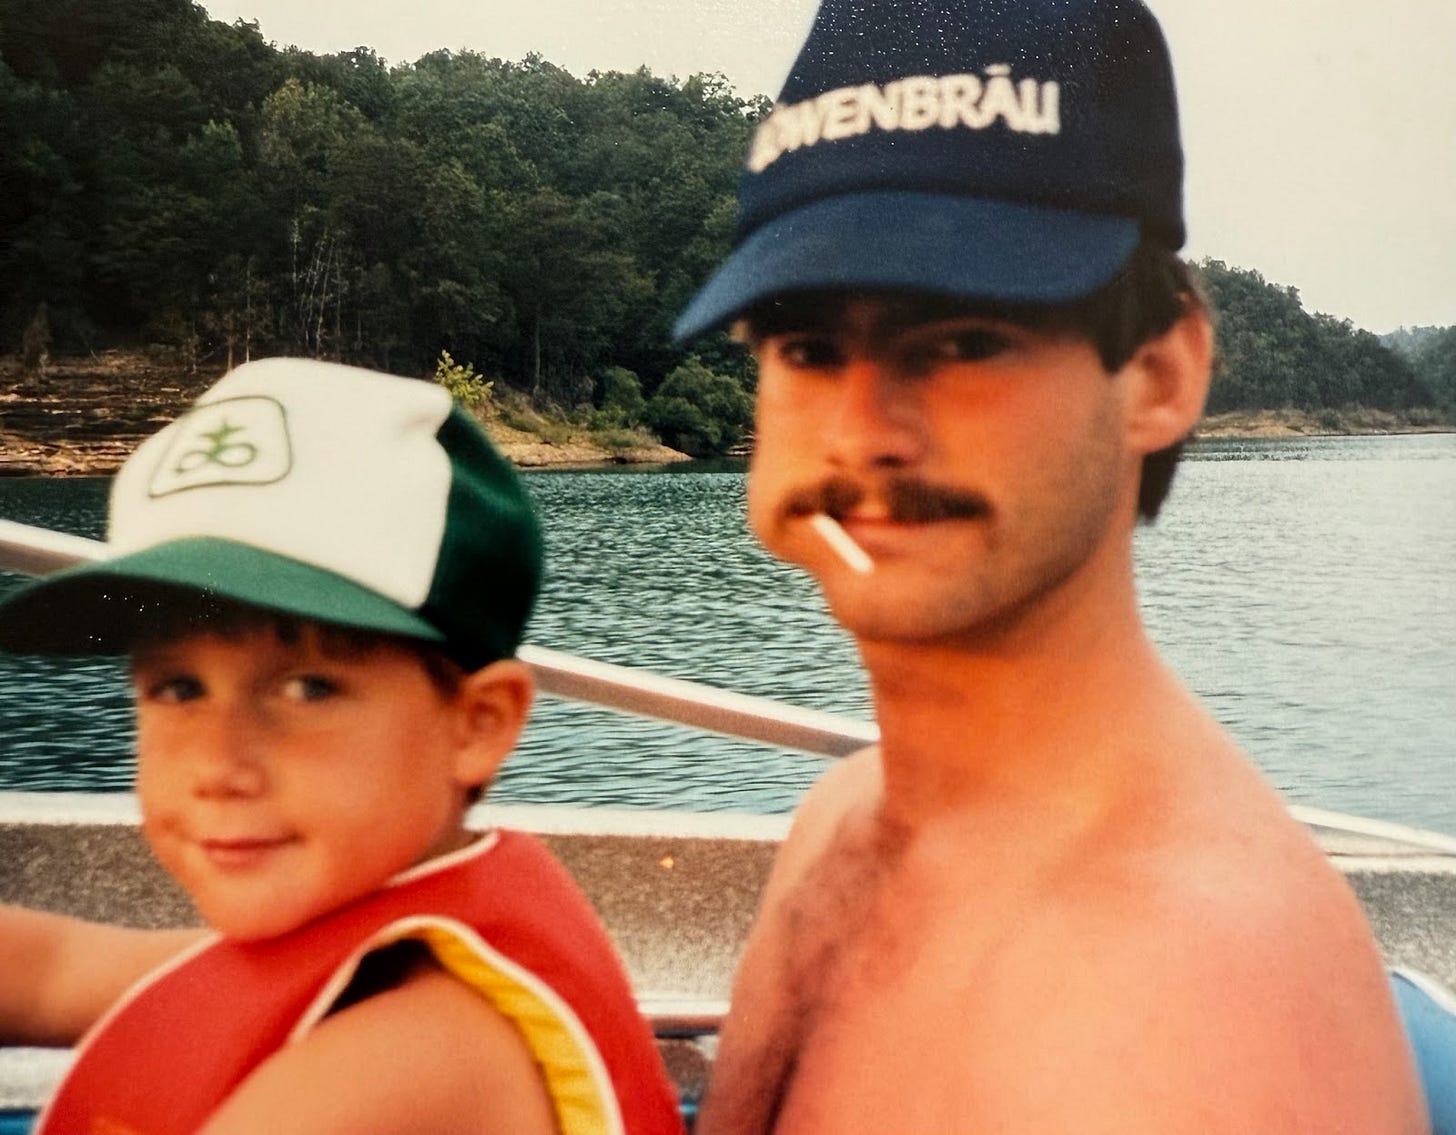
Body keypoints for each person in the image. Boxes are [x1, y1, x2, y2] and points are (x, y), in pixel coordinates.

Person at [672, 0, 1427, 1131]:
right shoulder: (852, 814)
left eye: (965, 341)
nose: (862, 433)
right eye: (809, 348)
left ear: (1162, 373)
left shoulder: (1189, 1018)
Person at [0, 358, 683, 1135]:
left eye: (308, 689)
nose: (218, 767)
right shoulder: (349, 936)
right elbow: (49, 969)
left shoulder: (418, 1062)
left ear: (478, 724)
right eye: (178, 689)